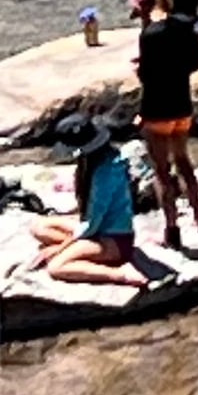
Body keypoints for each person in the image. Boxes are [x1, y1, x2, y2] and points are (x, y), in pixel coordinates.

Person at [132, 0, 198, 248]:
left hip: (157, 109)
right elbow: (196, 63)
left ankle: (172, 230)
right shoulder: (185, 28)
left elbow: (146, 76)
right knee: (184, 162)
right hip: (182, 105)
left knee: (162, 171)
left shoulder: (149, 36)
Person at [29, 113, 149, 290]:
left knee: (56, 267)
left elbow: (92, 224)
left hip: (113, 239)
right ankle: (80, 249)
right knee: (38, 226)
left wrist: (59, 249)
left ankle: (121, 274)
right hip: (96, 230)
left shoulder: (106, 172)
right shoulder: (92, 161)